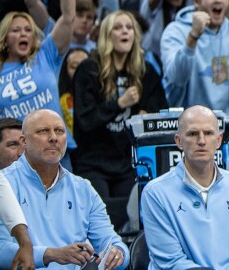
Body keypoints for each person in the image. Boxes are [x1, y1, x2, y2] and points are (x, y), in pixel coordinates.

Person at [0, 109, 128, 270]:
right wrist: (52, 254)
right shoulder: (4, 184)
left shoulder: (83, 189)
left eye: (59, 131)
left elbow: (111, 242)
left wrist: (118, 254)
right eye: (43, 131)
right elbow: (1, 251)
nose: (53, 138)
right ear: (24, 142)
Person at [140, 106, 229, 270]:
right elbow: (171, 262)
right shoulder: (155, 192)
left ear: (218, 140)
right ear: (179, 141)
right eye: (192, 134)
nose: (202, 141)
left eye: (209, 133)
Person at [72, 11, 167, 201]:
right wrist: (118, 104)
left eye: (129, 27)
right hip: (93, 164)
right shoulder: (89, 70)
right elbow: (85, 121)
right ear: (107, 35)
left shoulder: (145, 72)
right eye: (117, 27)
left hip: (128, 165)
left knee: (131, 219)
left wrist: (146, 116)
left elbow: (160, 113)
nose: (125, 32)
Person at [0, 0, 74, 128]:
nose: (24, 33)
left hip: (55, 147)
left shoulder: (45, 55)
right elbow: (30, 1)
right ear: (4, 38)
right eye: (16, 30)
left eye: (28, 30)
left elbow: (68, 17)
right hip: (13, 152)